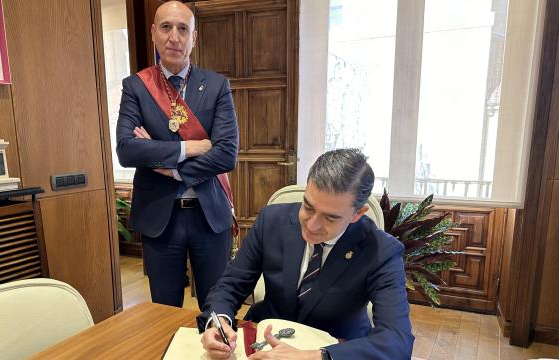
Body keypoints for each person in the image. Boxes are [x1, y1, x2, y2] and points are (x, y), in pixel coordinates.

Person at [199, 149, 414, 360]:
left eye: (330, 218)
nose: (312, 225)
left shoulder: (382, 251)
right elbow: (230, 285)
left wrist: (314, 357)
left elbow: (397, 340)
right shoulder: (272, 221)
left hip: (335, 346)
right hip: (263, 341)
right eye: (308, 207)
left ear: (358, 214)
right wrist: (218, 323)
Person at [116, 1, 239, 310]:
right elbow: (127, 150)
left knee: (217, 308)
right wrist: (189, 147)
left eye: (183, 29)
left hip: (209, 214)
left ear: (194, 38)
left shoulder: (216, 86)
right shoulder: (136, 87)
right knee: (163, 311)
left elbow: (226, 155)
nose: (175, 37)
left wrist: (172, 169)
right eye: (167, 27)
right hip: (160, 217)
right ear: (154, 33)